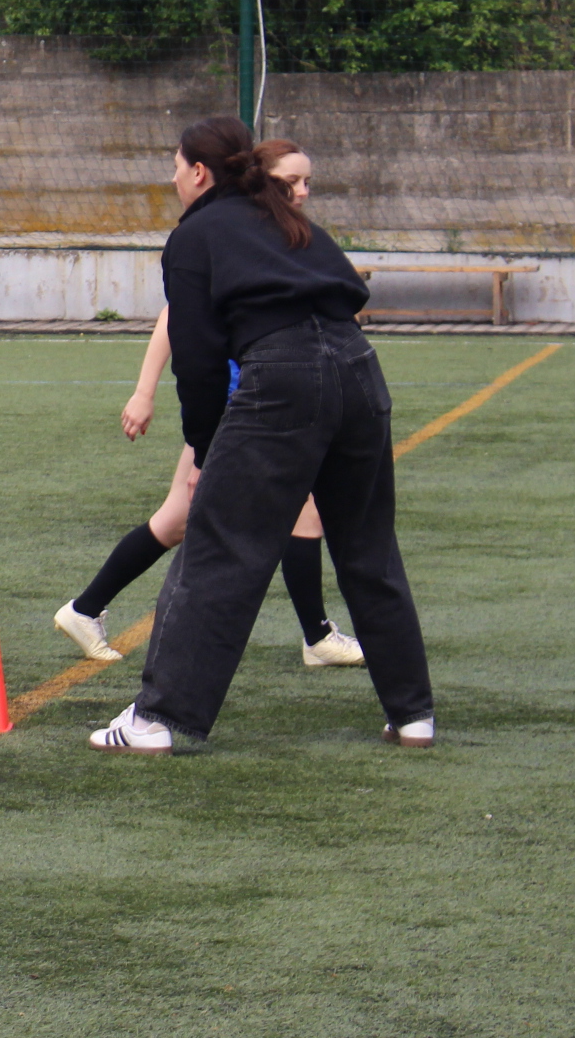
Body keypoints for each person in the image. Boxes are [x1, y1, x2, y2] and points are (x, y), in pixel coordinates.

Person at [90, 115, 435, 754]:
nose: (172, 178)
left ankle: (153, 720)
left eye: (175, 167)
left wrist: (205, 449)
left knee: (218, 548)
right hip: (359, 369)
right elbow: (348, 289)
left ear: (199, 172)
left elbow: (198, 360)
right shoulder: (283, 216)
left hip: (282, 377)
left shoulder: (193, 236)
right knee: (369, 548)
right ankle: (414, 716)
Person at [54, 141, 365, 668]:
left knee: (178, 520)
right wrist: (144, 391)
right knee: (295, 510)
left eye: (308, 182)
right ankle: (314, 637)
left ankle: (86, 608)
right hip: (238, 404)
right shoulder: (235, 231)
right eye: (291, 182)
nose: (303, 192)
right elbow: (174, 315)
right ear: (261, 182)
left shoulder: (277, 231)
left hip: (255, 401)